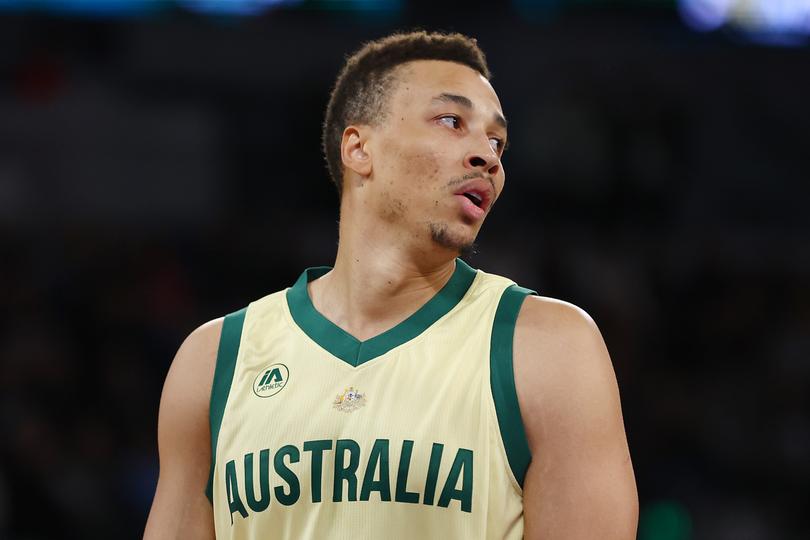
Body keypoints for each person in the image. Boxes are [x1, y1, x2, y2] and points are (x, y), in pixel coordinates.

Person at [143, 31, 638, 540]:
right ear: (359, 149)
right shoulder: (214, 361)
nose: (487, 157)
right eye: (452, 122)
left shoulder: (548, 347)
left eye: (497, 142)